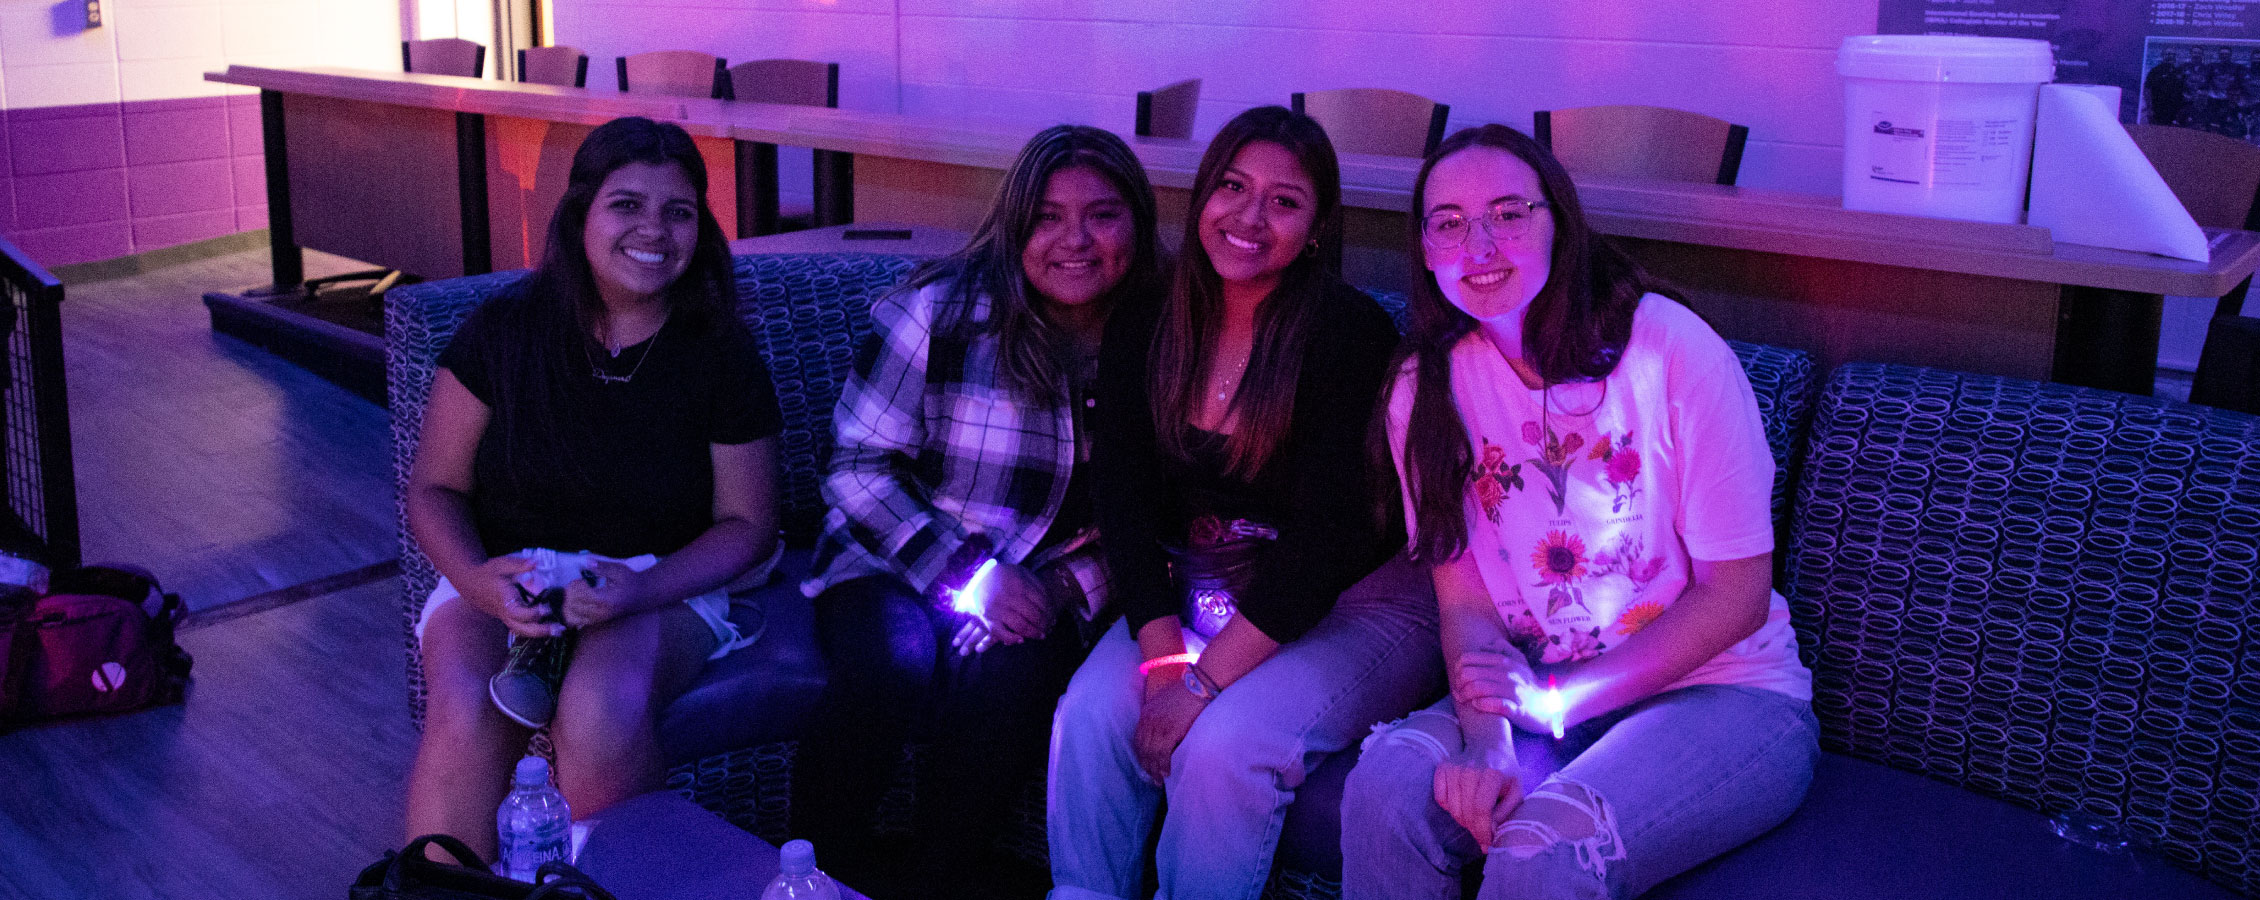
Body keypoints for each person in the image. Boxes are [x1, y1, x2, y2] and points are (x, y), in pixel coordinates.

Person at [1339, 124, 1817, 900]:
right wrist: (1488, 736)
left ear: (1558, 221)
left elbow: (1736, 596)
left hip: (1726, 693)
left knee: (1540, 851)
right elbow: (1464, 603)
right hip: (1536, 691)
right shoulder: (1421, 390)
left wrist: (1558, 703)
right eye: (1451, 224)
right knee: (1385, 793)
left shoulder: (1670, 351)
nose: (1480, 243)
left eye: (1508, 213)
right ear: (1425, 251)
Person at [1047, 105, 1443, 900]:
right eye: (1232, 187)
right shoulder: (1150, 316)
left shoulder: (1347, 334)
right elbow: (1120, 494)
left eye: (1284, 201)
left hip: (1352, 602)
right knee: (1090, 720)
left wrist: (1199, 688)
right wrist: (1163, 659)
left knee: (1222, 746)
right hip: (1201, 583)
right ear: (1201, 198)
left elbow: (1323, 546)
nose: (1249, 218)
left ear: (1317, 227)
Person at [791, 124, 1165, 898]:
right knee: (894, 663)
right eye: (1047, 218)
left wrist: (1063, 588)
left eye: (1102, 214)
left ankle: (934, 883)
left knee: (1010, 682)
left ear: (1137, 222)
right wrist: (968, 573)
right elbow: (858, 468)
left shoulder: (1163, 340)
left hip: (1046, 583)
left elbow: (1156, 511)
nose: (1075, 240)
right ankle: (812, 873)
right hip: (893, 554)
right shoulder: (941, 312)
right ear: (1013, 226)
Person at [403, 116, 783, 861]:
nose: (655, 230)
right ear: (581, 214)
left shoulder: (717, 350)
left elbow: (749, 524)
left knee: (600, 711)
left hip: (655, 581)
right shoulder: (505, 329)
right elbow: (434, 488)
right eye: (627, 205)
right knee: (464, 708)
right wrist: (480, 584)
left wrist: (638, 592)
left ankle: (602, 881)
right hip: (507, 573)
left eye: (679, 212)